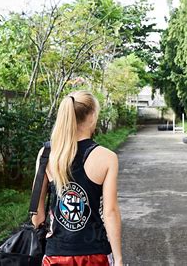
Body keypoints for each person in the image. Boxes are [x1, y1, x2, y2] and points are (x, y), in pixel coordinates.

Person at [31, 90, 122, 266]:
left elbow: (37, 215)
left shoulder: (46, 154)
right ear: (93, 116)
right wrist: (118, 259)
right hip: (95, 254)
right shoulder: (106, 157)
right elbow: (110, 213)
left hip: (56, 255)